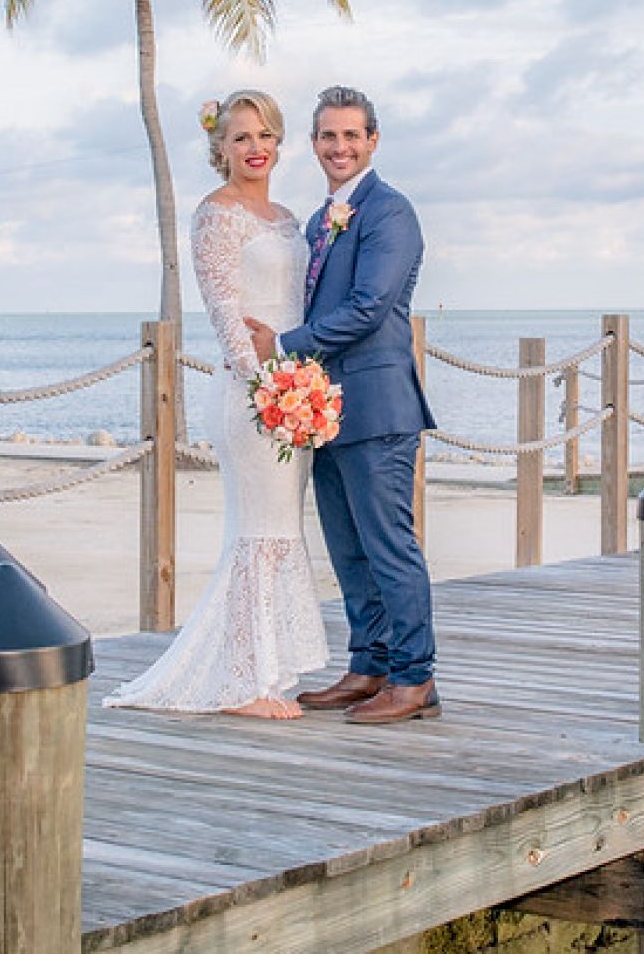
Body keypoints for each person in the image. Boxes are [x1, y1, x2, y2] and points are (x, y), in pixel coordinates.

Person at [106, 91, 327, 719]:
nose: (254, 148)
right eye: (239, 138)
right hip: (252, 397)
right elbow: (227, 312)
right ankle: (242, 684)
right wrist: (269, 390)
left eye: (264, 136)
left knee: (281, 532)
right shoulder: (215, 215)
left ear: (278, 143)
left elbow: (301, 309)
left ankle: (265, 667)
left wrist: (306, 389)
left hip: (297, 395)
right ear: (220, 148)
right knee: (257, 531)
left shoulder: (288, 217)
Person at [245, 85, 439, 724]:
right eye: (328, 136)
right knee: (348, 549)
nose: (340, 146)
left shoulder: (390, 213)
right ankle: (369, 664)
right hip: (323, 411)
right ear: (314, 143)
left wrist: (284, 345)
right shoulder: (318, 218)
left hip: (379, 409)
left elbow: (369, 307)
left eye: (352, 135)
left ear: (373, 140)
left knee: (388, 546)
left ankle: (414, 680)